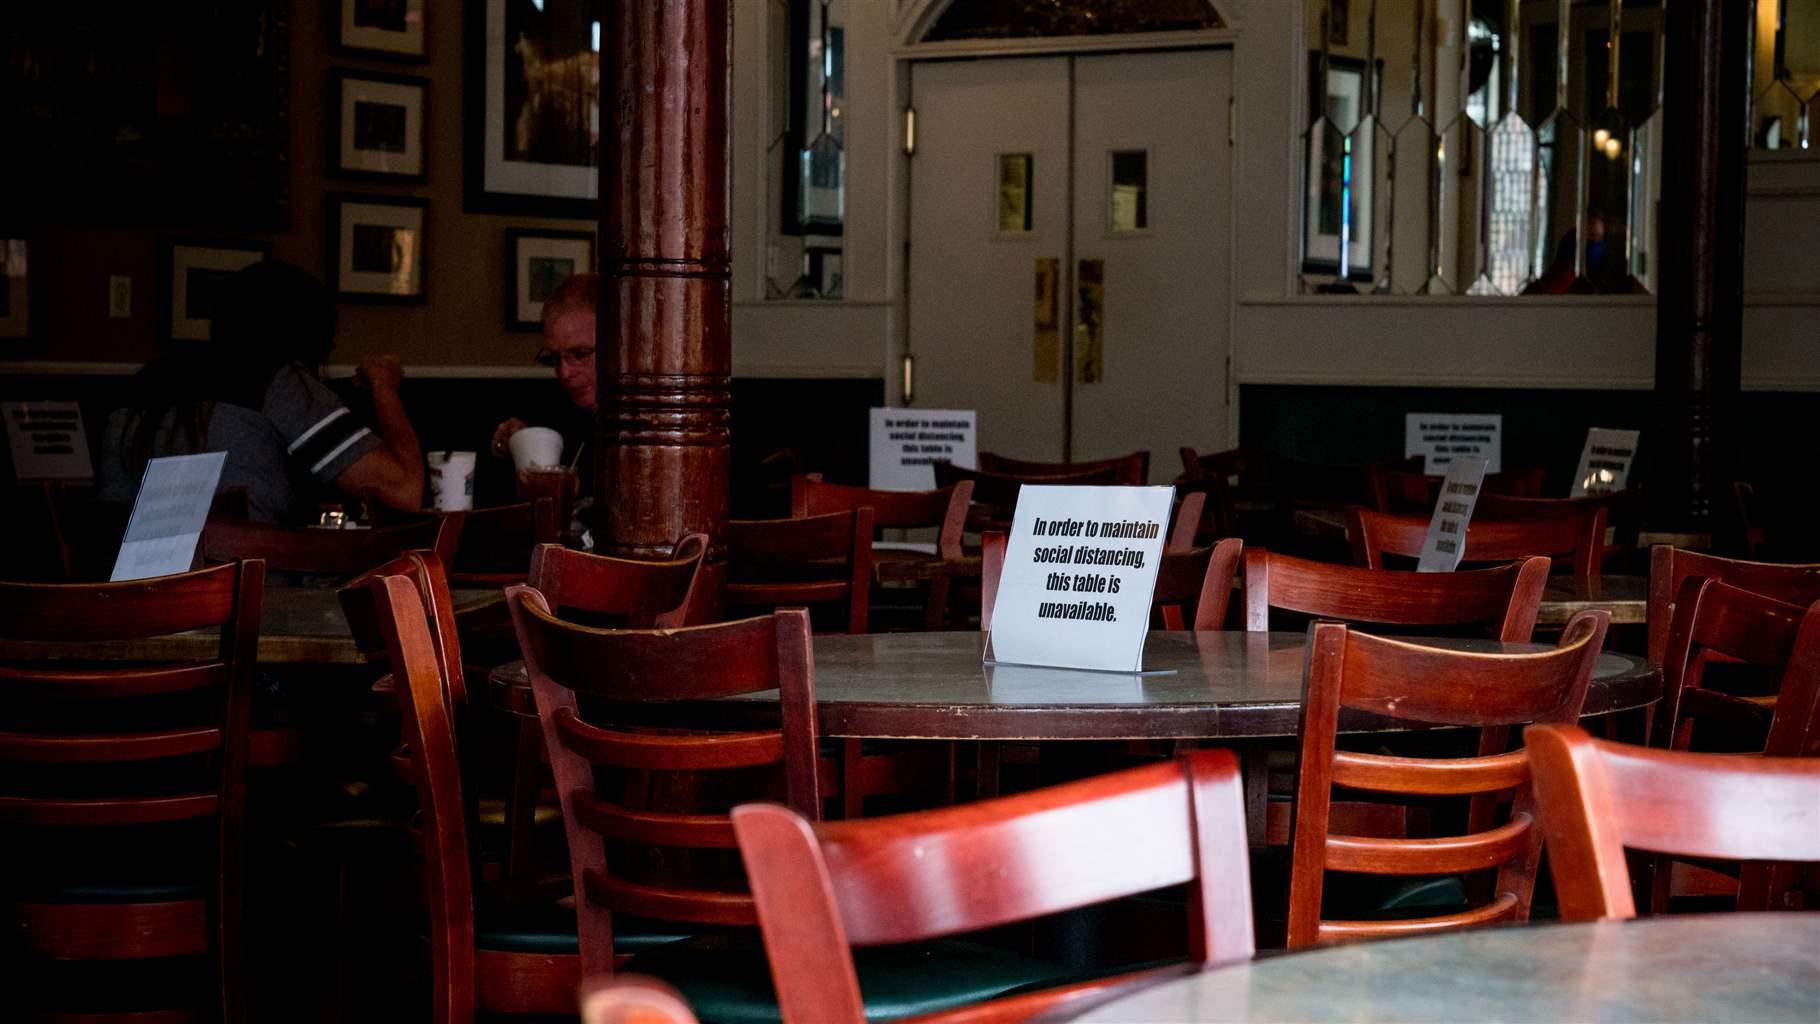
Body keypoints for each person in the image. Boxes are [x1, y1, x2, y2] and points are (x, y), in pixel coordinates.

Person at [98, 260, 424, 525]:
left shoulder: (143, 385)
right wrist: (384, 386)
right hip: (252, 592)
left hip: (132, 596)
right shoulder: (278, 382)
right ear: (309, 337)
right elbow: (404, 492)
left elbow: (112, 511)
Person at [491, 271, 596, 476]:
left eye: (580, 354)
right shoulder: (558, 405)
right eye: (554, 358)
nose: (564, 373)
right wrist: (510, 444)